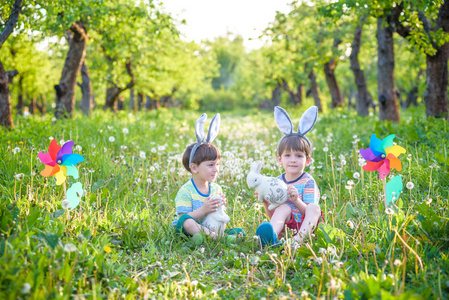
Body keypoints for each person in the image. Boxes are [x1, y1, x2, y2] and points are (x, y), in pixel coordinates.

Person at [171, 113, 244, 244]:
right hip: (187, 230)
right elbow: (182, 219)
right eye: (211, 165)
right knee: (188, 223)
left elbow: (215, 216)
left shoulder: (216, 188)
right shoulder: (186, 191)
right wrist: (203, 210)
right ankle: (218, 238)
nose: (216, 169)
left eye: (217, 164)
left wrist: (220, 206)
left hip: (209, 226)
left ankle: (206, 237)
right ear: (194, 168)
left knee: (239, 231)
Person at [256, 106, 322, 247]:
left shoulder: (308, 182)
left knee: (314, 208)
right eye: (287, 155)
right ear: (280, 159)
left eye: (299, 156)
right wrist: (266, 202)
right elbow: (274, 215)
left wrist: (296, 200)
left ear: (308, 160)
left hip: (307, 227)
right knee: (283, 208)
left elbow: (309, 213)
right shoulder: (278, 181)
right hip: (287, 227)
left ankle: (296, 241)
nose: (293, 160)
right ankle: (270, 238)